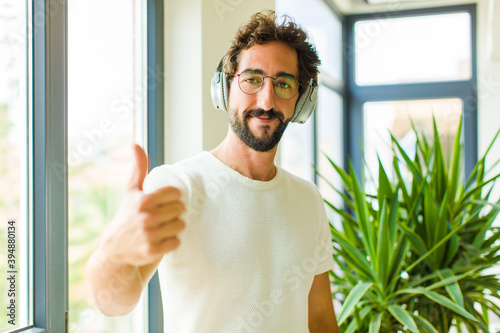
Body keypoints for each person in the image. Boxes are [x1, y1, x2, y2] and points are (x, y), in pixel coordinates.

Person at [86, 10, 340, 333]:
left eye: (284, 84)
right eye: (251, 79)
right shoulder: (178, 186)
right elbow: (115, 301)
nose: (266, 99)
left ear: (300, 102)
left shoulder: (308, 199)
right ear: (225, 88)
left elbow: (320, 321)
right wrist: (111, 254)